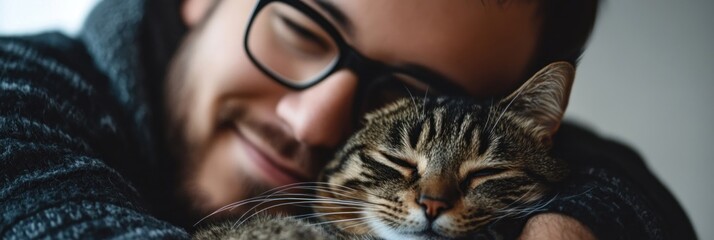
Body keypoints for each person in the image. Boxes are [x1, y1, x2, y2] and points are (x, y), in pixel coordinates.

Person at [0, 0, 696, 239]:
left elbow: (601, 170)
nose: (312, 123)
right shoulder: (17, 94)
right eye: (302, 27)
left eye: (406, 98)